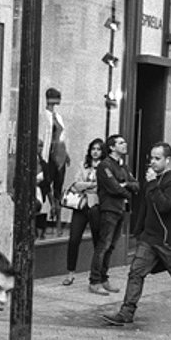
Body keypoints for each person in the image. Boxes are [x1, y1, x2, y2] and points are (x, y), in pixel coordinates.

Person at [102, 142, 171, 327]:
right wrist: (139, 231)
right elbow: (146, 207)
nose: (153, 162)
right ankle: (126, 311)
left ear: (168, 160)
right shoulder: (153, 181)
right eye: (151, 158)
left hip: (168, 240)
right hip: (149, 238)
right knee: (136, 272)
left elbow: (163, 206)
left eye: (157, 159)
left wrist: (151, 184)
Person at [89, 133, 138, 294]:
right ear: (112, 147)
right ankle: (95, 281)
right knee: (103, 246)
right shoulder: (105, 166)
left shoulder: (123, 166)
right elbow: (113, 187)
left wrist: (126, 185)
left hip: (121, 209)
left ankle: (104, 278)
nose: (125, 145)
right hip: (109, 210)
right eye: (121, 143)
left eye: (124, 142)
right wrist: (127, 190)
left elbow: (136, 185)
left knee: (110, 247)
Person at [62, 137, 104, 286]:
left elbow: (102, 186)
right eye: (93, 149)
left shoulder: (105, 166)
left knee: (97, 241)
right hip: (80, 206)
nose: (95, 152)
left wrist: (87, 185)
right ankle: (70, 273)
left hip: (96, 207)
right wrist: (91, 184)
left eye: (98, 149)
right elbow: (76, 185)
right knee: (74, 239)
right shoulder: (83, 165)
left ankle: (99, 275)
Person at [41, 87, 70, 235]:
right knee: (46, 185)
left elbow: (62, 136)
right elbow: (44, 137)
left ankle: (58, 224)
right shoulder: (43, 115)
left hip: (59, 156)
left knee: (58, 188)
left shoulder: (58, 116)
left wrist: (66, 153)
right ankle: (51, 208)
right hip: (48, 156)